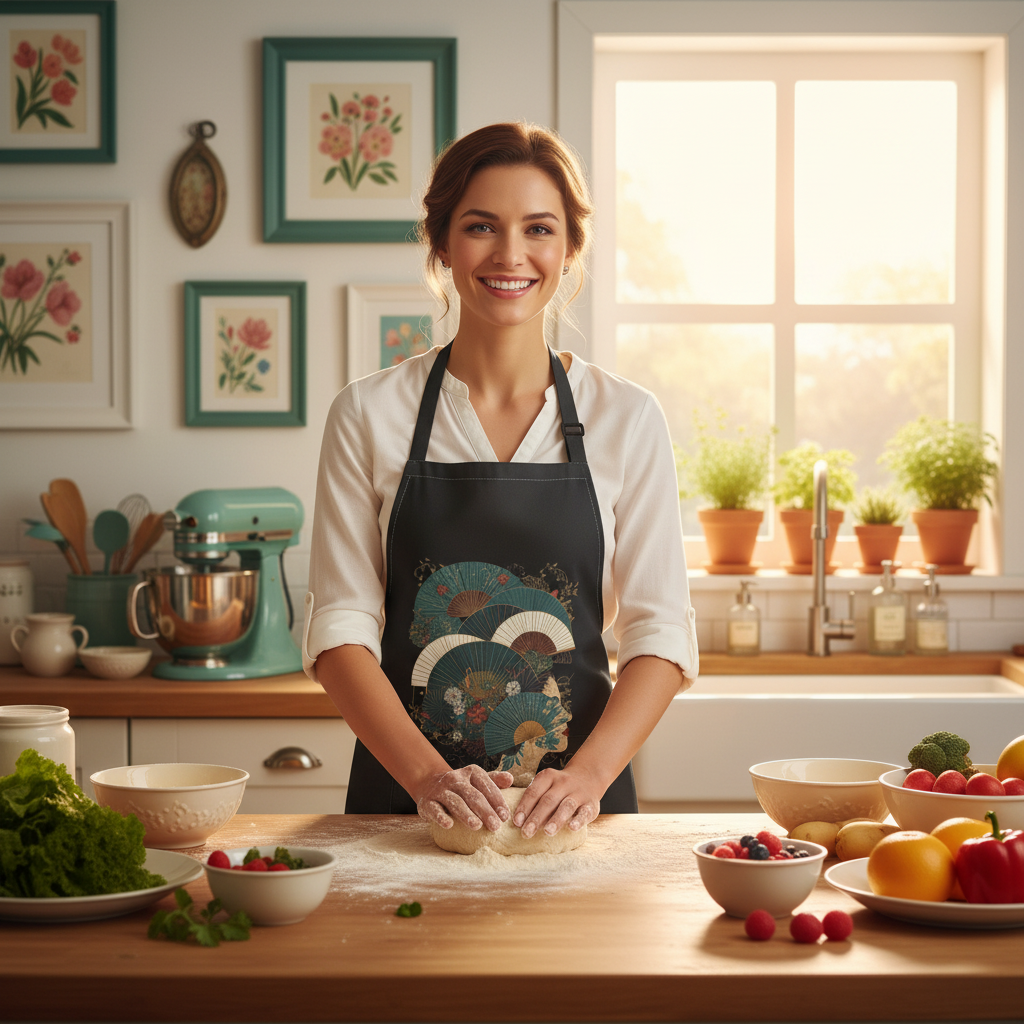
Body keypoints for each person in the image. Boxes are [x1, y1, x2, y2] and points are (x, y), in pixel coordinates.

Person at [303, 122, 698, 842]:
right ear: (442, 244)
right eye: (481, 226)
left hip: (575, 813)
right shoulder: (368, 413)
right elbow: (340, 631)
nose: (510, 255)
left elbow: (660, 632)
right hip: (403, 804)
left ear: (569, 248)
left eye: (538, 229)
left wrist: (587, 778)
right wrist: (429, 780)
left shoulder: (627, 418)